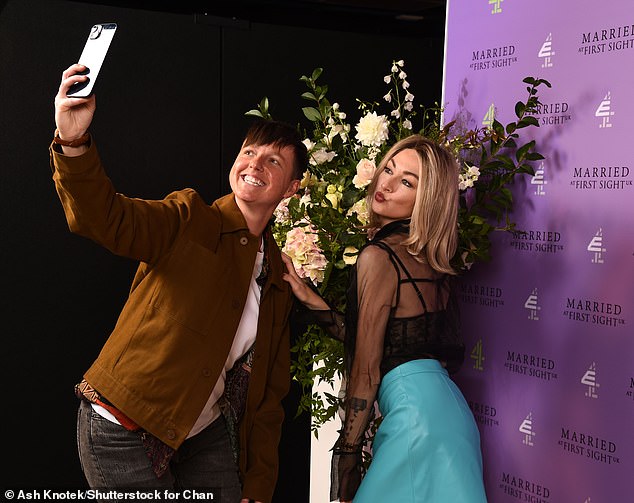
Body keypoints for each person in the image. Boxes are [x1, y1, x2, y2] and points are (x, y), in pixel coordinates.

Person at [51, 64, 307, 503]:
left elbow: (268, 397)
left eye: (274, 161)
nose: (255, 165)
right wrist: (73, 142)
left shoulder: (280, 279)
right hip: (122, 427)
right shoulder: (189, 218)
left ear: (292, 189)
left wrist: (260, 485)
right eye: (249, 152)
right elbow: (106, 217)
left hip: (200, 429)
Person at [282, 135, 488, 502]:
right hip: (451, 416)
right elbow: (389, 344)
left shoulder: (378, 256)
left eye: (407, 181)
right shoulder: (429, 258)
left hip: (416, 421)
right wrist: (312, 299)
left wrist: (348, 458)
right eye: (388, 169)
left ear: (427, 200)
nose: (386, 184)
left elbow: (367, 369)